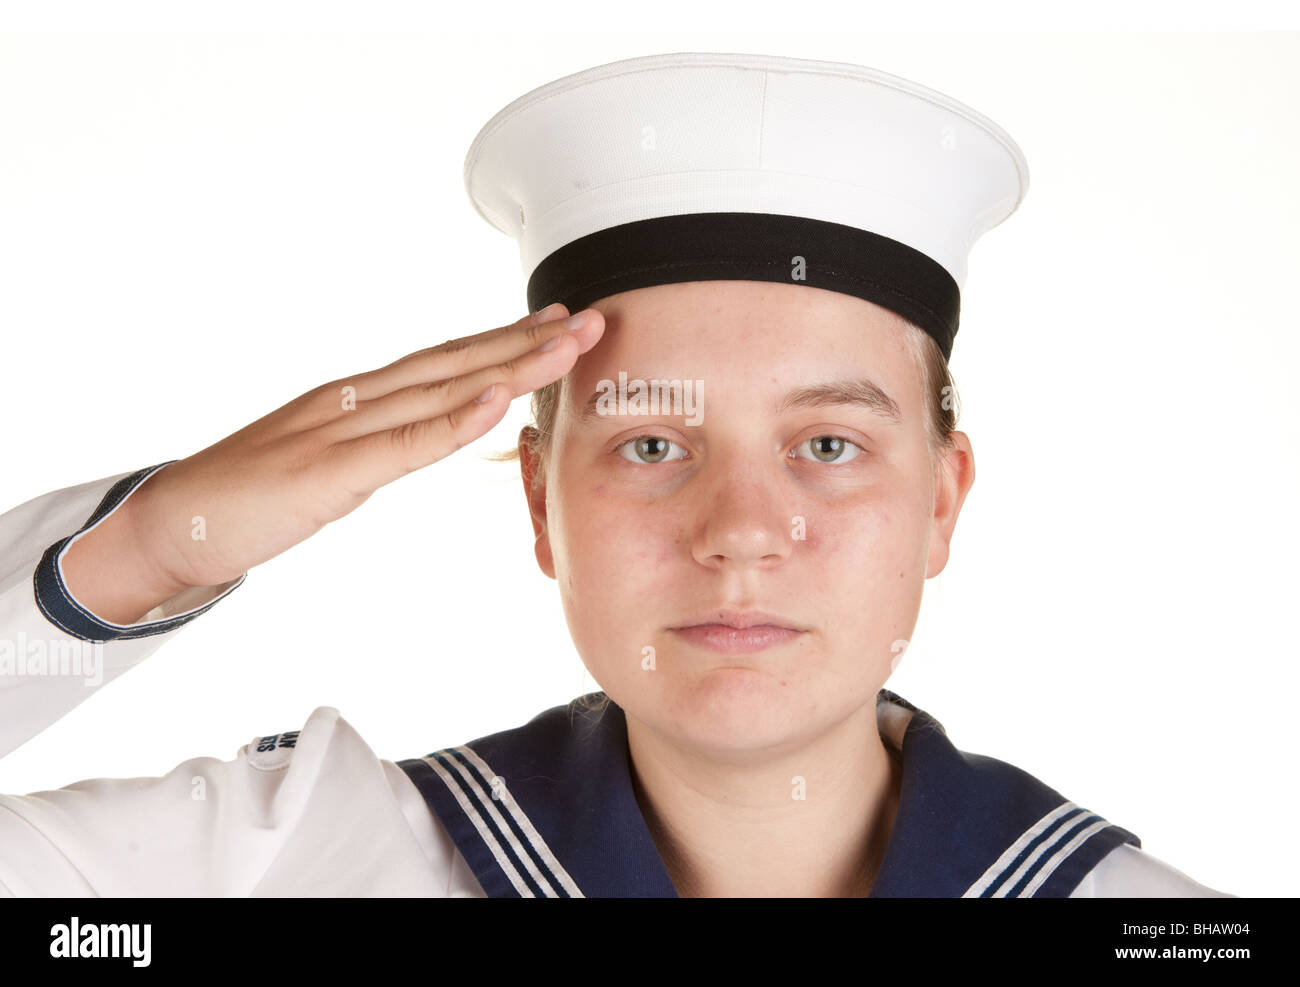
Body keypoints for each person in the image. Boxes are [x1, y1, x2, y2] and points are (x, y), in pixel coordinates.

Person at [0, 52, 1232, 897]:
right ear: (540, 502)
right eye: (652, 445)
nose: (741, 532)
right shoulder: (297, 863)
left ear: (941, 504)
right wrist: (151, 552)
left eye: (828, 446)